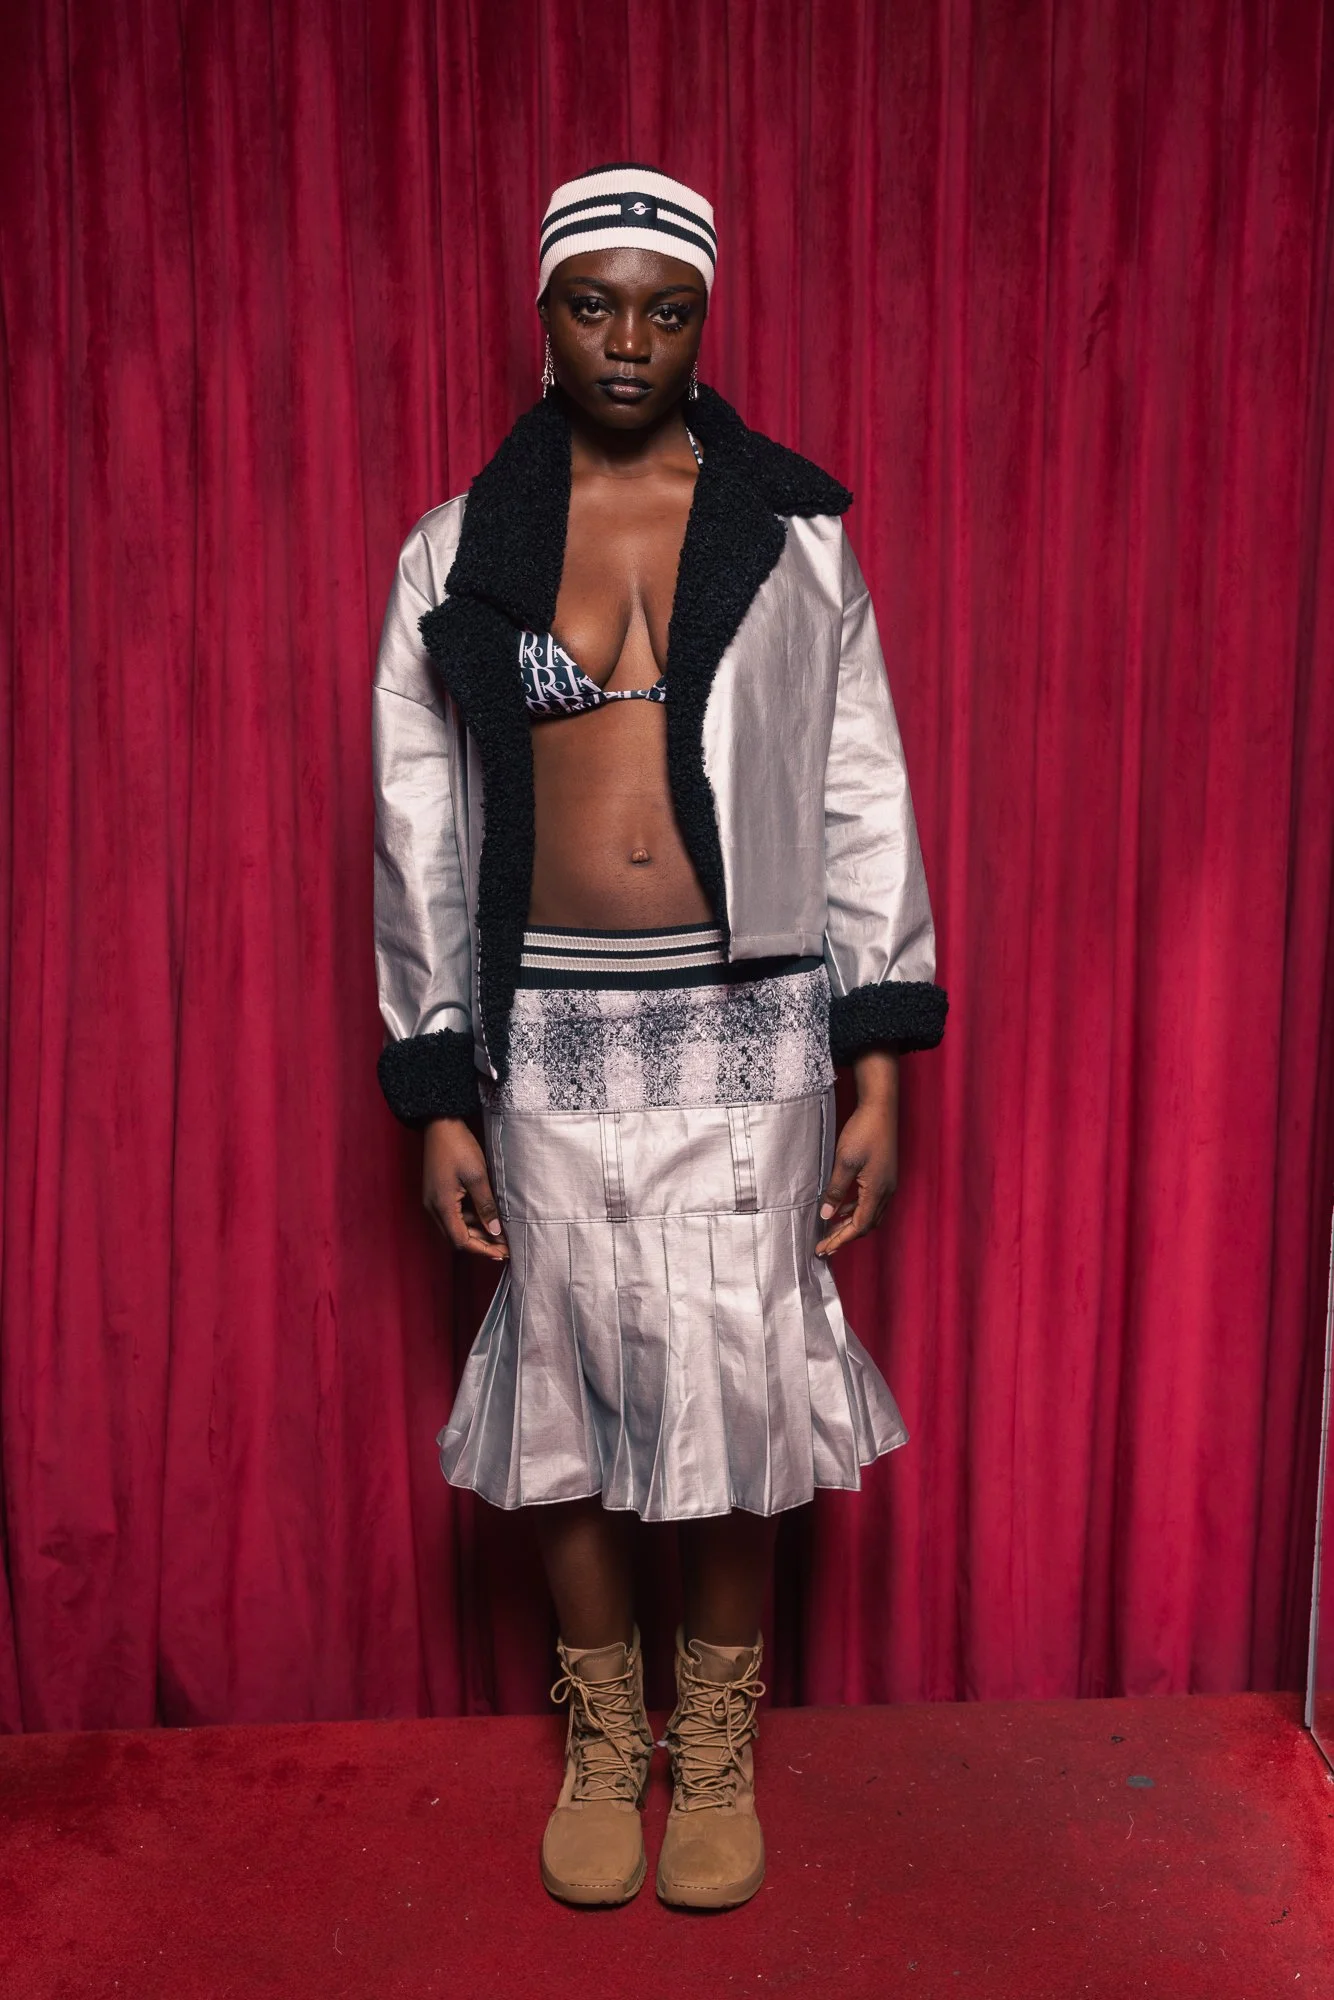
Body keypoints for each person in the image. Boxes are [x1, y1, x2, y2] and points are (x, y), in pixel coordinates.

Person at [371, 164, 946, 1912]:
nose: (628, 342)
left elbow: (859, 789)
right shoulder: (458, 547)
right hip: (548, 1023)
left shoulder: (792, 534)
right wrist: (436, 1079)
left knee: (738, 1379)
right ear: (542, 316)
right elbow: (416, 821)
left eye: (666, 310)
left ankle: (717, 1738)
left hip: (750, 1018)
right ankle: (604, 1740)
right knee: (565, 1375)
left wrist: (875, 1053)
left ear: (705, 321)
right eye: (593, 306)